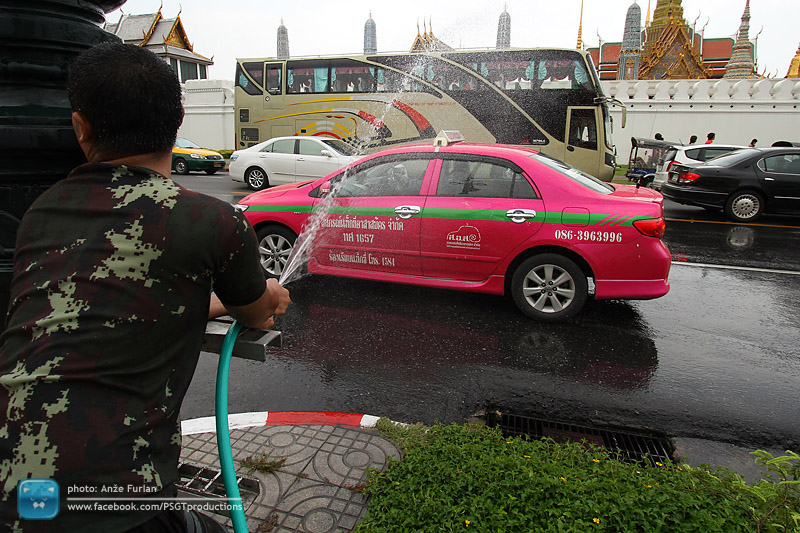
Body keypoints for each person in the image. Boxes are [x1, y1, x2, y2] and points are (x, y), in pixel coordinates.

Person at [0, 43, 290, 532]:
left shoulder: (40, 213)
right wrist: (271, 295)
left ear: (80, 127)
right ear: (178, 121)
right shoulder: (211, 220)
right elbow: (258, 314)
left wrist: (208, 305)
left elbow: (117, 300)